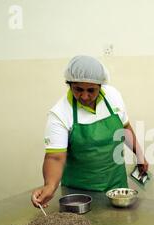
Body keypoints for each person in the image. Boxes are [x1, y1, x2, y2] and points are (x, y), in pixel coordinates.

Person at [31, 55, 148, 208]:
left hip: (116, 186)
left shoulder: (113, 96)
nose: (85, 96)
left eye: (91, 90)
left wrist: (139, 155)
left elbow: (124, 128)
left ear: (100, 86)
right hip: (80, 194)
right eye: (78, 89)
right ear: (70, 85)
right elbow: (55, 158)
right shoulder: (60, 113)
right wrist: (50, 186)